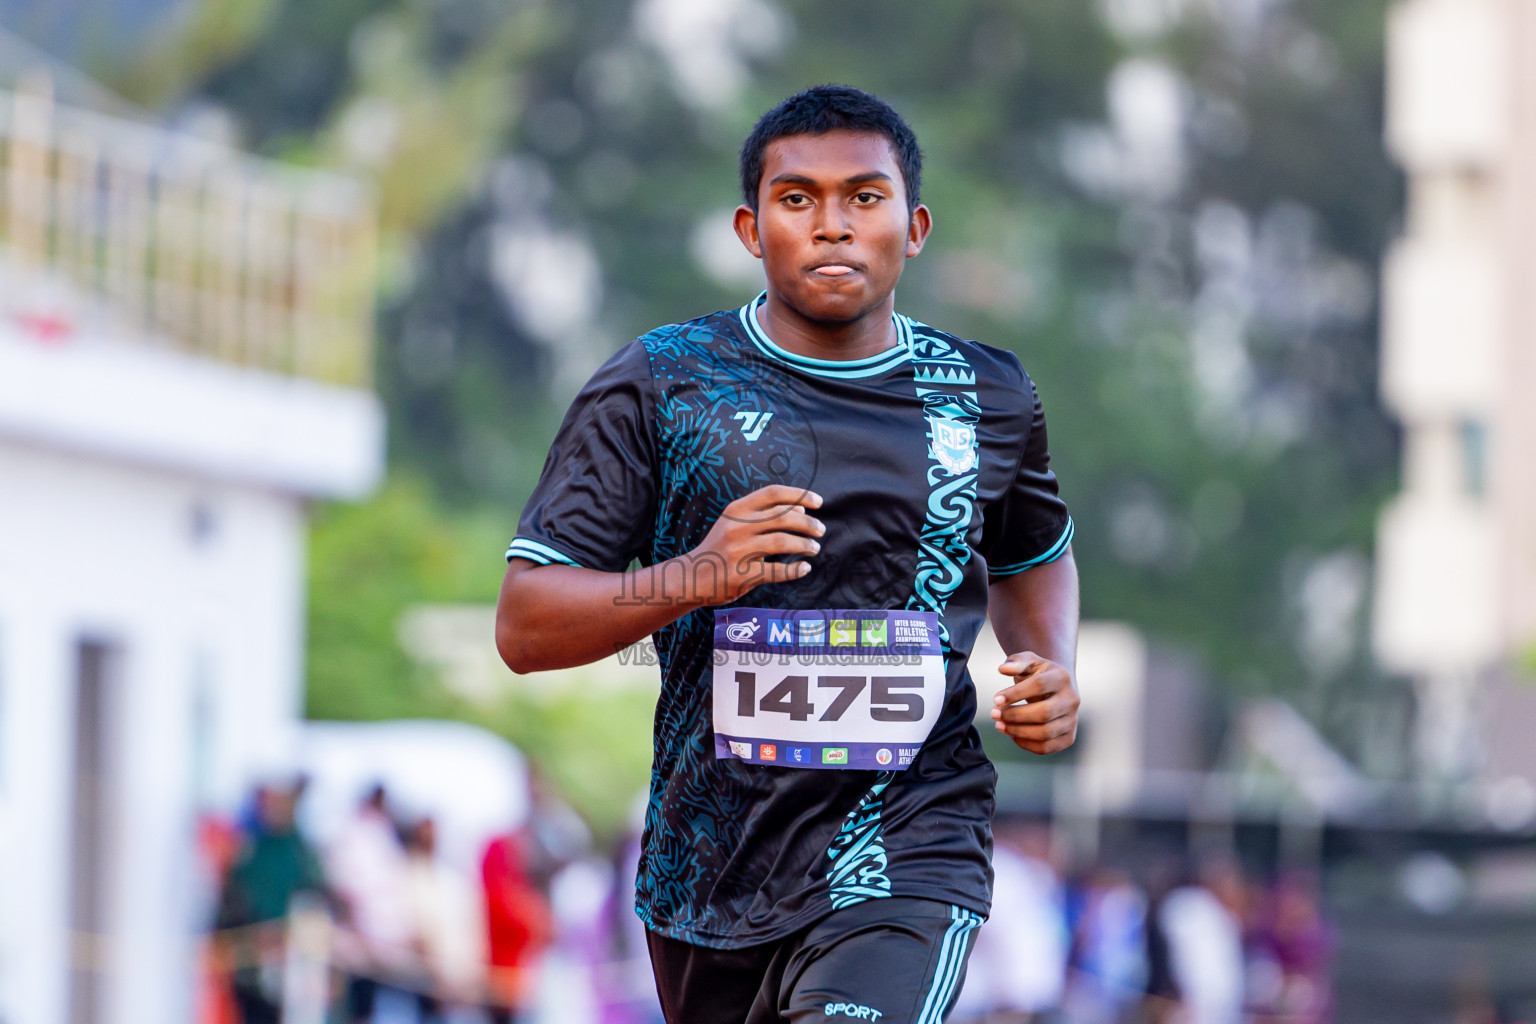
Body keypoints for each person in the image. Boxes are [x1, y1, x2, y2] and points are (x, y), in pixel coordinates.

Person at [496, 84, 1080, 1024]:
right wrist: (697, 574)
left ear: (915, 225)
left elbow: (1035, 551)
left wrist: (1050, 664)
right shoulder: (663, 382)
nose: (834, 226)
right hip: (713, 871)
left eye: (865, 197)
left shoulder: (987, 395)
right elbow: (525, 625)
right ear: (749, 227)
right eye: (798, 199)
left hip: (910, 840)